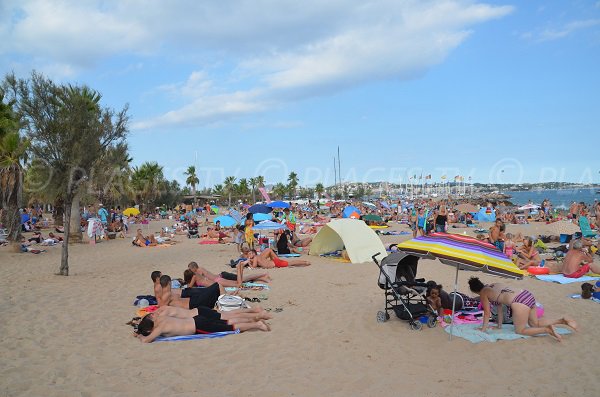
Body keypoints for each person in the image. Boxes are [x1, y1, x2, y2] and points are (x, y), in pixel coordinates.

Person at [468, 277, 577, 341]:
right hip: (526, 294)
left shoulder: (483, 293)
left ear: (474, 291)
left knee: (520, 330)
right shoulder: (494, 284)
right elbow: (499, 306)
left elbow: (487, 313)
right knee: (535, 323)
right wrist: (499, 326)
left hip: (519, 301)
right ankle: (562, 320)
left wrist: (483, 329)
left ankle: (547, 330)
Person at [134, 305, 271, 343]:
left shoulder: (160, 327)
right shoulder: (162, 319)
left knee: (230, 327)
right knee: (228, 321)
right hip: (197, 318)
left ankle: (256, 324)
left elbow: (147, 340)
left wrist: (139, 335)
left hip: (199, 327)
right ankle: (254, 319)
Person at [187, 261, 271, 288]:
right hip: (220, 277)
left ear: (194, 268)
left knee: (242, 280)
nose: (190, 271)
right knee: (242, 281)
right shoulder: (200, 269)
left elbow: (199, 281)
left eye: (191, 269)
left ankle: (263, 274)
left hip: (220, 278)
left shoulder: (198, 271)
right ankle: (262, 277)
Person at [246, 248, 311, 269]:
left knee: (290, 263)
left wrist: (249, 263)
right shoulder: (258, 257)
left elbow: (254, 267)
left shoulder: (255, 258)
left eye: (250, 253)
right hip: (274, 262)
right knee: (290, 263)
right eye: (248, 254)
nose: (249, 255)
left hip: (275, 263)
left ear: (254, 254)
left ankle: (305, 262)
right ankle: (304, 262)